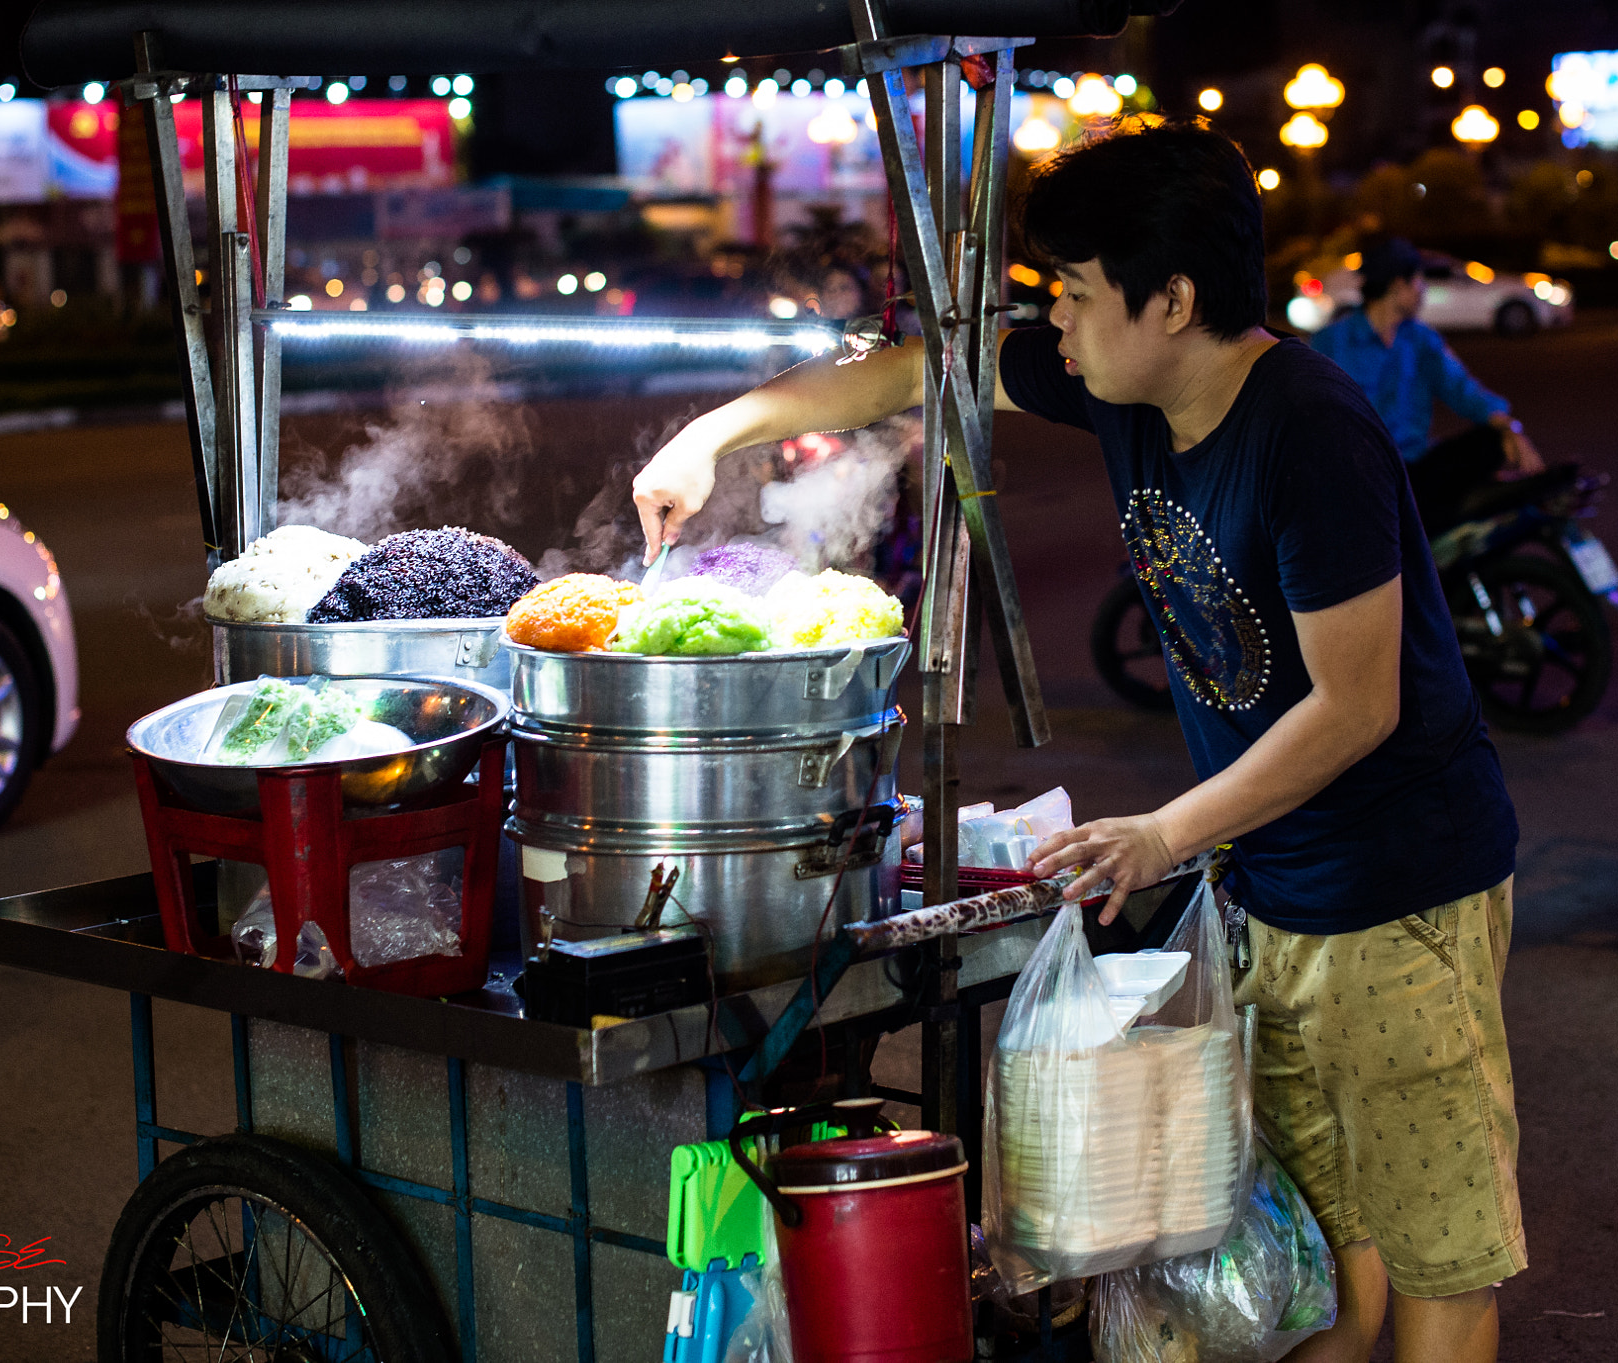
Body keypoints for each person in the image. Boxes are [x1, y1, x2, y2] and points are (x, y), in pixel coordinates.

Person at [632, 120, 1522, 1363]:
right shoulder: (1125, 384)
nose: (1053, 321)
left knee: (1434, 1267)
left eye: (1076, 293)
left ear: (1172, 299)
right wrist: (710, 435)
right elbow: (916, 372)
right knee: (1321, 1268)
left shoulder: (1307, 437)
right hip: (1271, 888)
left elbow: (1352, 706)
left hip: (1397, 900)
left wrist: (1162, 833)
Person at [1310, 237, 1545, 531]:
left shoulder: (1421, 339)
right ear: (1398, 287)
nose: (1423, 291)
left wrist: (1508, 426)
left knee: (1490, 443)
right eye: (1419, 282)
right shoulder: (1332, 342)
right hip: (1361, 479)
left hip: (1415, 466)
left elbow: (1461, 389)